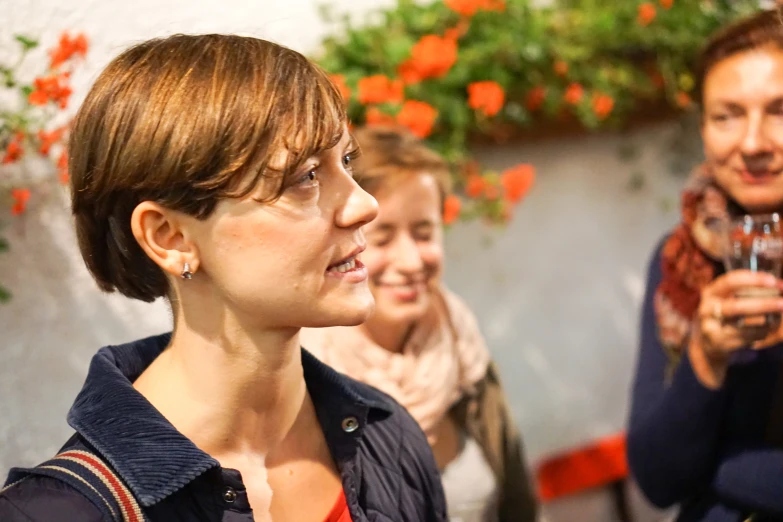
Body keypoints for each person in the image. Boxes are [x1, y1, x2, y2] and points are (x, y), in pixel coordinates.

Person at [0, 34, 447, 522]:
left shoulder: (386, 439)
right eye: (305, 177)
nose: (365, 204)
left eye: (345, 162)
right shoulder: (54, 513)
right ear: (170, 236)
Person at [300, 126, 538, 522]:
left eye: (424, 233)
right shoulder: (309, 382)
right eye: (383, 237)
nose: (411, 261)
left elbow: (519, 503)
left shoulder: (463, 349)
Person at [628, 8, 783, 522]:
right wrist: (704, 359)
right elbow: (657, 477)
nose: (754, 142)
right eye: (727, 115)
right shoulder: (681, 260)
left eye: (780, 110)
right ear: (703, 129)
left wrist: (718, 470)